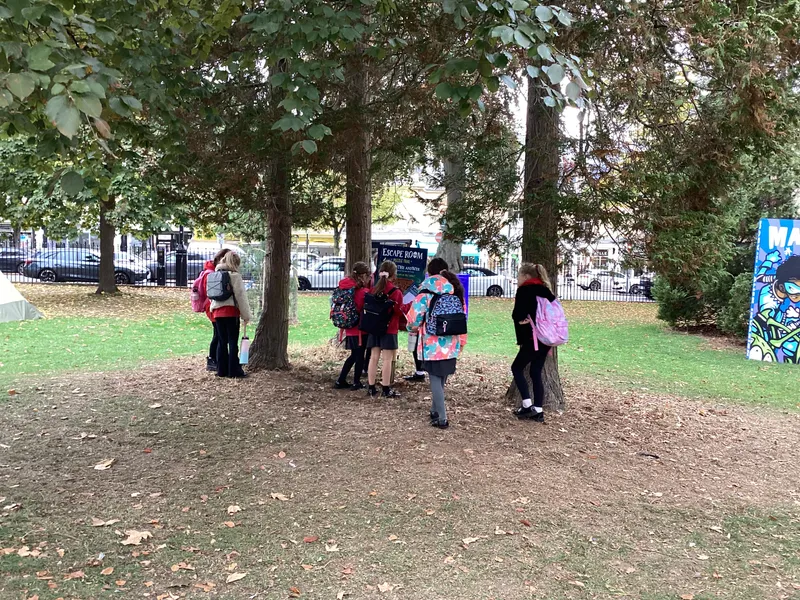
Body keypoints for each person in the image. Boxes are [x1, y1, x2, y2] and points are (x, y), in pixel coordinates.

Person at [407, 260, 467, 429]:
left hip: (431, 344)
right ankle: (435, 410)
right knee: (442, 380)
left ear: (429, 273)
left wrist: (411, 328)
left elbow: (413, 320)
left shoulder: (424, 293)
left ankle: (442, 418)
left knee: (434, 379)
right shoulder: (454, 291)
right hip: (451, 343)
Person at [511, 263, 556, 422]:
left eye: (519, 276)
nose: (518, 279)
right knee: (535, 371)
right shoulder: (546, 291)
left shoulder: (524, 290)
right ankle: (538, 409)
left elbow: (518, 314)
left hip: (532, 338)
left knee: (516, 367)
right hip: (547, 338)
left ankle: (526, 405)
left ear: (526, 276)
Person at [403, 257, 449, 383]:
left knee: (434, 376)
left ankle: (438, 402)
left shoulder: (425, 289)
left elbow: (415, 316)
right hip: (449, 339)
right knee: (441, 376)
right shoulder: (453, 288)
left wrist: (411, 326)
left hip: (429, 339)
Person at [210, 251, 253, 378]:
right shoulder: (235, 276)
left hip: (217, 312)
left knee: (222, 342)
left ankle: (221, 370)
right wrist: (246, 316)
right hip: (231, 312)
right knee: (233, 342)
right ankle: (234, 370)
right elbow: (241, 297)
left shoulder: (215, 274)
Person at [366, 260, 404, 398]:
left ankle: (371, 387)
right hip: (389, 328)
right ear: (394, 275)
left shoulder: (374, 289)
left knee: (373, 357)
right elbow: (398, 311)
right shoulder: (396, 291)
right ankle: (386, 388)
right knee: (387, 359)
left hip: (374, 327)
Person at [334, 261, 372, 390]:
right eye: (368, 276)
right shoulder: (361, 291)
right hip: (359, 328)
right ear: (363, 276)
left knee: (354, 355)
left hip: (349, 326)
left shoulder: (345, 287)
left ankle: (341, 380)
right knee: (359, 355)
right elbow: (363, 307)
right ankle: (356, 382)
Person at [202, 248, 231, 372]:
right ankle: (213, 359)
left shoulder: (209, 271)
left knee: (218, 335)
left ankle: (216, 359)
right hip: (213, 308)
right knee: (218, 335)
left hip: (213, 307)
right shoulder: (210, 274)